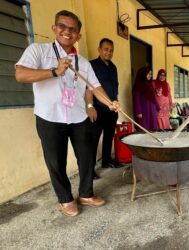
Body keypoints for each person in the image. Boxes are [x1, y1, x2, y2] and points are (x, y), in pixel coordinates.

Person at [15, 10, 120, 216]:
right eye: (62, 26)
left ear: (78, 36)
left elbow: (95, 87)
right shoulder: (38, 51)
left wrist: (110, 103)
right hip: (49, 117)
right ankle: (65, 199)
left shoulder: (83, 62)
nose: (67, 32)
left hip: (78, 116)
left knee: (87, 156)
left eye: (72, 29)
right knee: (56, 160)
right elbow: (20, 74)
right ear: (54, 28)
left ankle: (86, 194)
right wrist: (54, 71)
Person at [86, 38, 119, 178]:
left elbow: (115, 87)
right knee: (93, 140)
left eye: (111, 50)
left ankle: (106, 161)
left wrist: (116, 102)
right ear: (99, 49)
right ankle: (90, 170)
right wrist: (90, 106)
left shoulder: (113, 67)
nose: (108, 52)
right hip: (97, 108)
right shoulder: (91, 65)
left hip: (111, 110)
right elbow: (88, 88)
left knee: (108, 137)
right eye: (106, 49)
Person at [132, 66, 159, 131]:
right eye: (148, 74)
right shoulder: (138, 85)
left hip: (152, 110)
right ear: (143, 74)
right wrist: (138, 112)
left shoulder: (150, 84)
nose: (150, 75)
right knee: (144, 128)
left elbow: (153, 97)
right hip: (144, 111)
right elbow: (136, 99)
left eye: (151, 74)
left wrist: (157, 107)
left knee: (153, 128)